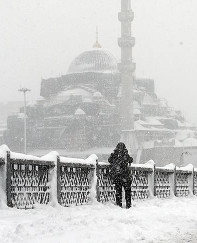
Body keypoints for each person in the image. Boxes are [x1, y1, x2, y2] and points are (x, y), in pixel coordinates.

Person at [108, 142, 133, 208]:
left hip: (117, 176)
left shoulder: (114, 154)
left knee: (118, 191)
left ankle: (119, 204)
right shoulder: (125, 154)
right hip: (125, 175)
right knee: (127, 191)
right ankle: (128, 205)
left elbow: (109, 160)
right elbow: (131, 160)